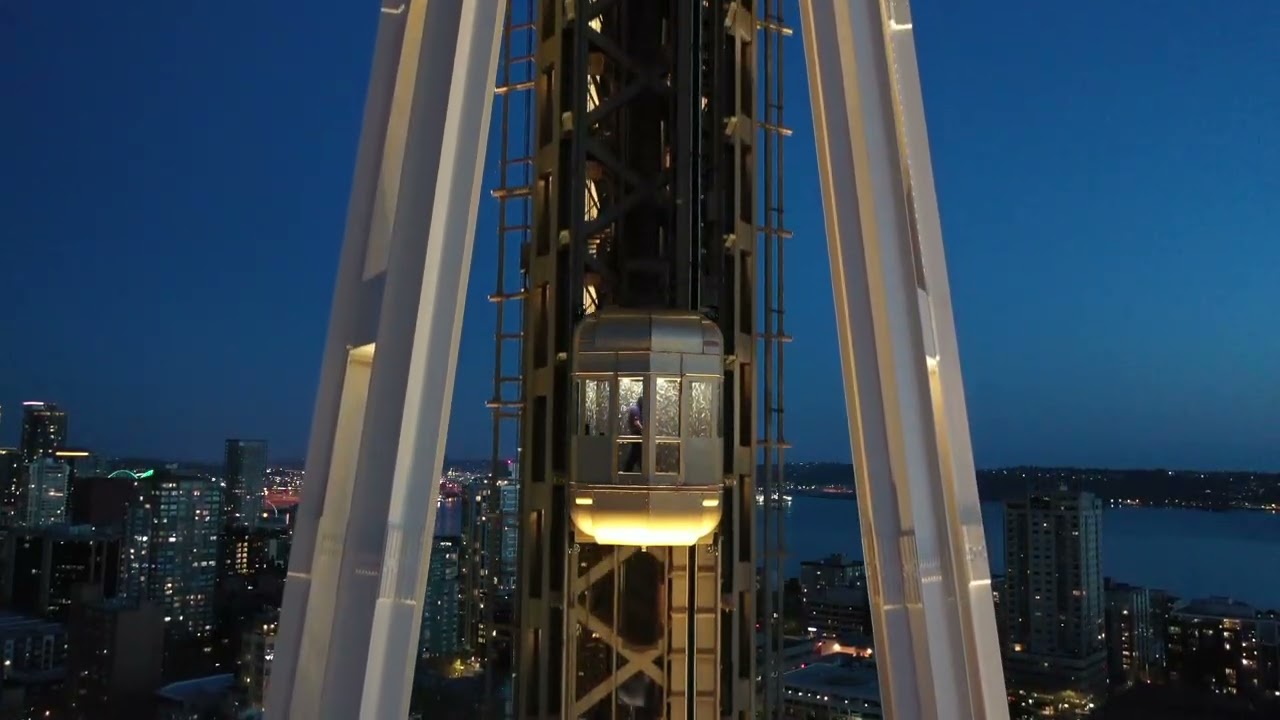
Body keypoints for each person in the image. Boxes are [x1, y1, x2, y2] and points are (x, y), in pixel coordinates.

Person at [623, 395, 644, 472]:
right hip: (636, 436)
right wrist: (644, 431)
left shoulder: (638, 410)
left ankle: (627, 472)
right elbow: (636, 422)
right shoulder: (636, 409)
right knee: (637, 455)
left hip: (637, 436)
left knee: (635, 455)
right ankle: (627, 472)